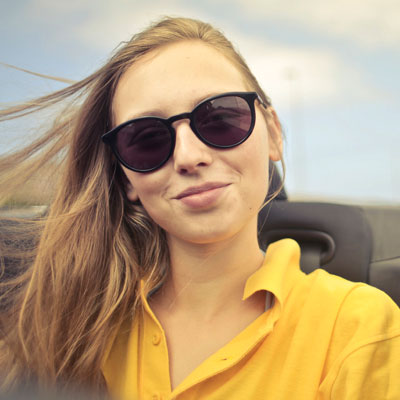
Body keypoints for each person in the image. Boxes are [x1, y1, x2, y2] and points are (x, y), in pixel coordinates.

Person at [0, 16, 399, 400]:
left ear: (274, 134)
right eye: (146, 139)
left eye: (221, 117)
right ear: (126, 179)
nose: (189, 156)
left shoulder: (360, 327)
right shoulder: (68, 326)